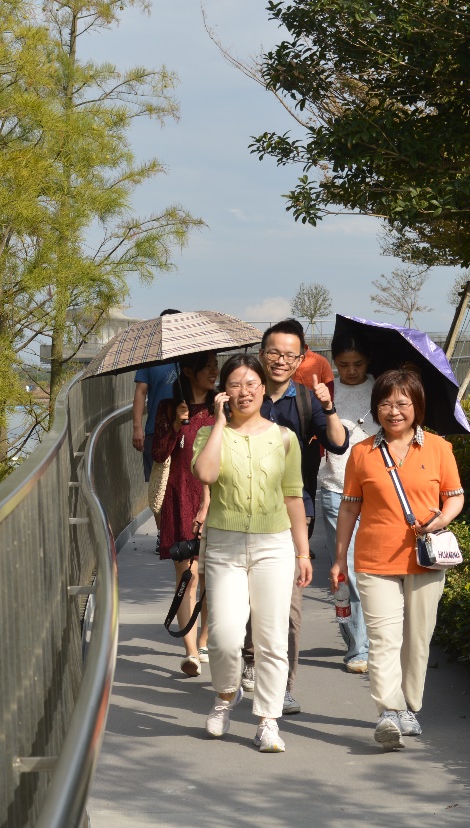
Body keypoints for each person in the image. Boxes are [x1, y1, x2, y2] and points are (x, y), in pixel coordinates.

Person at [330, 368, 465, 750]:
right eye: (385, 404)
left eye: (402, 403)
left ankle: (409, 706)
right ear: (376, 408)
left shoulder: (439, 449)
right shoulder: (362, 452)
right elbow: (349, 508)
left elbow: (455, 496)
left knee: (418, 639)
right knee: (383, 638)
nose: (393, 411)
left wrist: (442, 518)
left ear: (417, 406)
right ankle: (389, 711)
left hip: (425, 560)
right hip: (375, 560)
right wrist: (339, 558)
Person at [192, 354, 313, 753]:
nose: (244, 392)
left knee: (272, 637)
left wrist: (303, 553)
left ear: (263, 388)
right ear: (223, 392)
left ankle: (268, 721)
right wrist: (219, 423)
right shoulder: (208, 434)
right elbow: (205, 474)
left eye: (251, 384)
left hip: (274, 545)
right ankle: (226, 696)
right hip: (224, 545)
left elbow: (293, 496)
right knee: (224, 636)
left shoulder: (285, 438)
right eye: (235, 385)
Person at [240, 319, 347, 713]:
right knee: (248, 598)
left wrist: (328, 406)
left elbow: (338, 444)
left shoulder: (304, 400)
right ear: (261, 353)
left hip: (293, 513)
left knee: (289, 604)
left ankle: (282, 685)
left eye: (290, 354)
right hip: (242, 512)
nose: (281, 360)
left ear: (302, 359)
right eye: (274, 352)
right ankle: (250, 659)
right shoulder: (242, 394)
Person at [151, 350, 216, 676]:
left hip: (215, 499)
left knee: (211, 578)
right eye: (208, 367)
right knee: (187, 576)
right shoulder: (169, 407)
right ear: (189, 371)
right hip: (180, 497)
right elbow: (158, 453)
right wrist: (176, 424)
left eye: (216, 366)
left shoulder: (221, 407)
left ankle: (204, 640)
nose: (214, 372)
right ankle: (191, 651)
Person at [314, 332, 376, 674]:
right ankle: (358, 647)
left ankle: (373, 639)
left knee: (374, 570)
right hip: (337, 489)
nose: (351, 371)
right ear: (334, 362)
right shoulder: (326, 391)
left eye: (358, 364)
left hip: (378, 493)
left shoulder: (383, 389)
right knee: (348, 570)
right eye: (343, 364)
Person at [133, 309, 182, 550]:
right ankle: (164, 534)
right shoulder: (150, 357)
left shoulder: (190, 357)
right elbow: (140, 392)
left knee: (182, 483)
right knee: (158, 486)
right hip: (156, 431)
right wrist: (137, 427)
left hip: (186, 430)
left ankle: (183, 532)